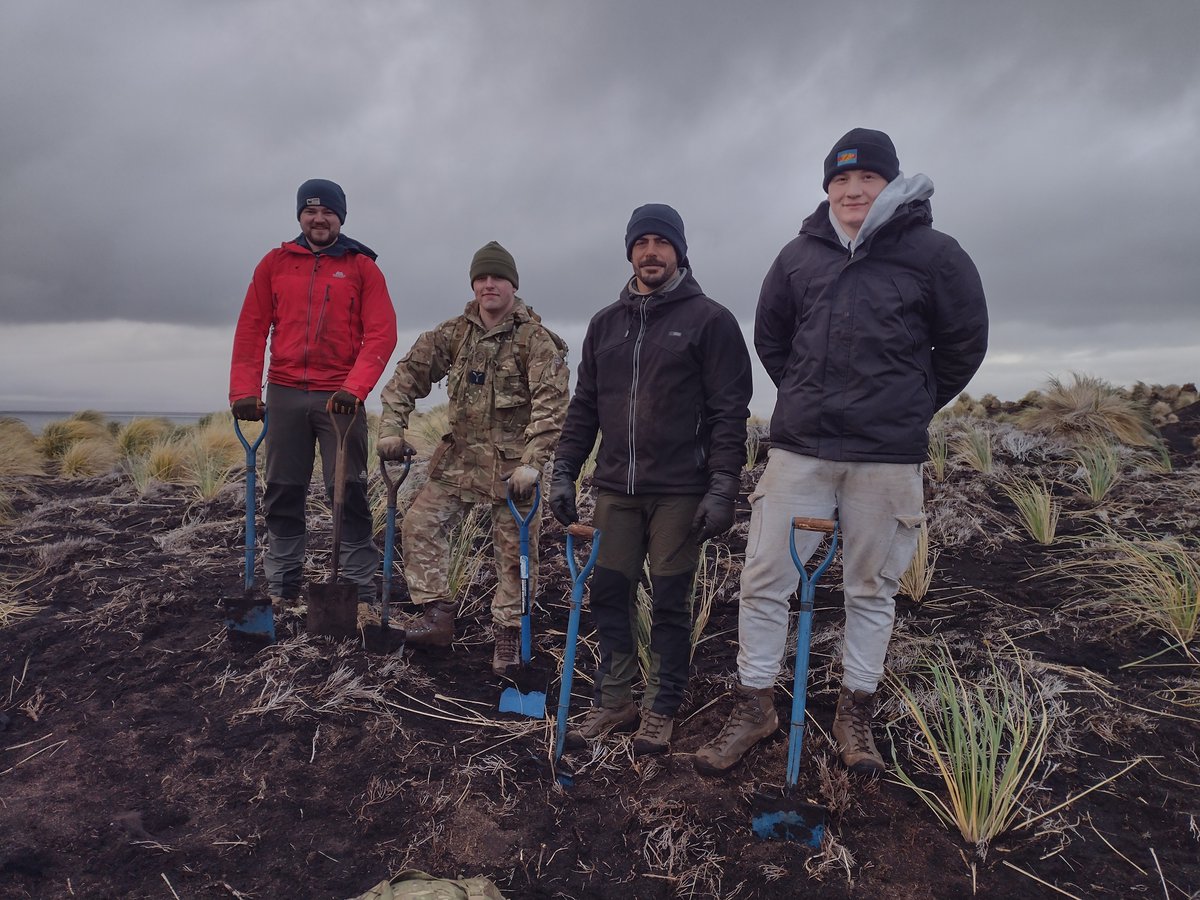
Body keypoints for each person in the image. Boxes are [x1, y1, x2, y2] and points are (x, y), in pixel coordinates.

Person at [694, 129, 989, 777]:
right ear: (827, 187)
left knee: (872, 588)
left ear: (889, 183)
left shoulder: (936, 256)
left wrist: (910, 402)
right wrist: (806, 393)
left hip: (886, 457)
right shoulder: (799, 257)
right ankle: (755, 705)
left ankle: (855, 711)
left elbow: (965, 344)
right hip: (802, 448)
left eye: (867, 180)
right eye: (840, 181)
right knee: (765, 579)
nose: (853, 191)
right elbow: (772, 340)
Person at [549, 204, 752, 756]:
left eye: (663, 242)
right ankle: (615, 699)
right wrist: (565, 470)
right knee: (610, 593)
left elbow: (728, 414)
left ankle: (661, 705)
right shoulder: (604, 325)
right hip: (615, 490)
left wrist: (721, 487)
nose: (651, 252)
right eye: (642, 243)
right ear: (630, 252)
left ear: (680, 252)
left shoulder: (711, 321)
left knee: (668, 599)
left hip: (679, 493)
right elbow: (585, 406)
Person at [377, 241, 569, 676]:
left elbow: (552, 405)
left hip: (513, 469)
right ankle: (436, 616)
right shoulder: (454, 335)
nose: (488, 285)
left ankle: (506, 634)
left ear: (512, 285)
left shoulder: (536, 341)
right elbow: (408, 376)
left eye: (496, 278)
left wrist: (533, 463)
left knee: (515, 554)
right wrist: (391, 428)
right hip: (460, 461)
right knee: (419, 525)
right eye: (481, 278)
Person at [230, 178, 397, 608]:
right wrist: (245, 390)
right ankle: (282, 584)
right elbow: (251, 328)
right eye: (310, 211)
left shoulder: (362, 267)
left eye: (327, 212)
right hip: (284, 393)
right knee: (283, 488)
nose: (318, 219)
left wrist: (353, 388)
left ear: (341, 217)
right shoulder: (275, 263)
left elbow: (381, 335)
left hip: (339, 398)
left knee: (349, 491)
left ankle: (359, 588)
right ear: (300, 215)